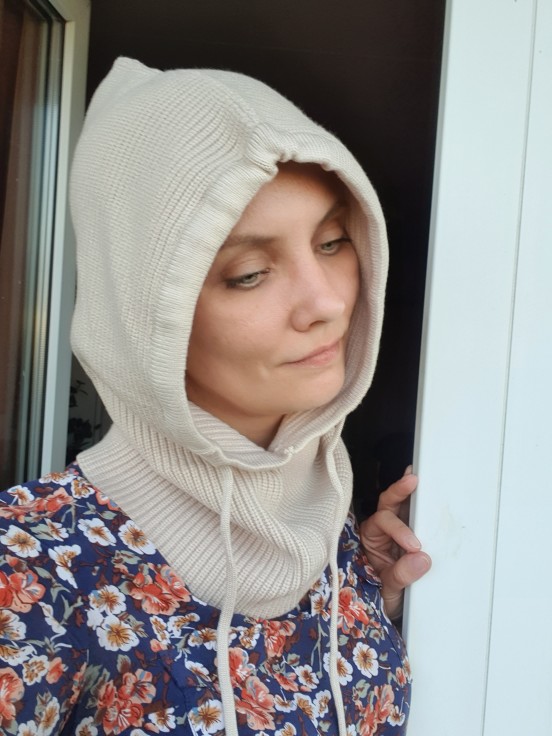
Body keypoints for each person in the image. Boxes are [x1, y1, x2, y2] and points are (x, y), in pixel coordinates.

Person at [0, 58, 430, 735]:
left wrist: (373, 601)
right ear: (144, 315)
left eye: (333, 241)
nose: (325, 302)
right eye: (250, 273)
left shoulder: (329, 527)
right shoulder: (27, 574)